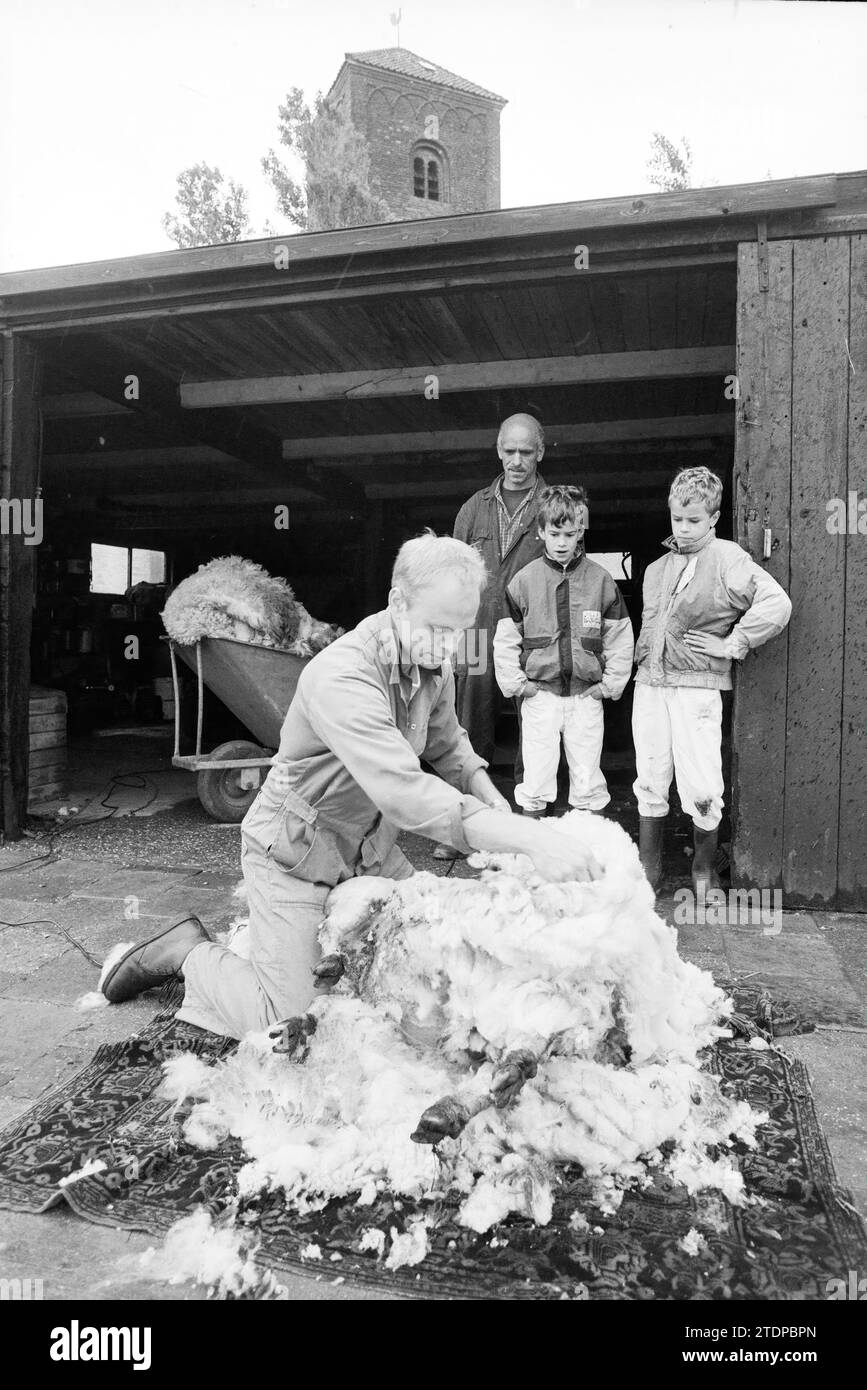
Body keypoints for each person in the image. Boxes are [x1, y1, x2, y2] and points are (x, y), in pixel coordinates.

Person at [101, 533, 602, 1039]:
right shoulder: (343, 675)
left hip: (369, 852)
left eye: (459, 631)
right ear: (397, 603)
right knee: (289, 1022)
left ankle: (275, 946)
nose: (449, 645)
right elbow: (403, 794)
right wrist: (533, 840)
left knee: (435, 966)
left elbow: (450, 749)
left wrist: (499, 809)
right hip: (296, 858)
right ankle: (191, 953)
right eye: (437, 628)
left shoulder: (432, 660)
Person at [632, 466, 792, 893]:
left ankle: (702, 872)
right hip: (650, 685)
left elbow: (776, 603)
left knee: (702, 783)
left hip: (697, 689)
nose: (683, 529)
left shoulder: (727, 558)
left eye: (694, 520)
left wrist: (734, 642)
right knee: (649, 775)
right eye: (677, 519)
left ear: (714, 518)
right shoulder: (655, 569)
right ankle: (649, 871)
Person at [493, 485, 634, 817]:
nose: (561, 542)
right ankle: (535, 856)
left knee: (587, 778)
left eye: (569, 534)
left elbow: (620, 638)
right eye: (554, 533)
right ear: (541, 531)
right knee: (537, 777)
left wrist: (609, 686)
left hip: (586, 696)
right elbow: (504, 640)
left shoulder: (601, 580)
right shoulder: (523, 581)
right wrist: (518, 685)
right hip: (541, 695)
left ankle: (590, 854)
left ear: (580, 530)